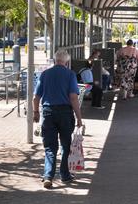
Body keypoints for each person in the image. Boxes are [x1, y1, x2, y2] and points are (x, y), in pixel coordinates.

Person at [32, 49, 84, 189]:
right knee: (66, 145)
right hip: (65, 113)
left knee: (50, 147)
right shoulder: (70, 75)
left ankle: (48, 176)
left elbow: (36, 98)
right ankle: (65, 175)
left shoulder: (45, 74)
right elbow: (73, 98)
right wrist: (79, 118)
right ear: (66, 62)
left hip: (48, 113)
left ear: (55, 60)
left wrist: (36, 112)